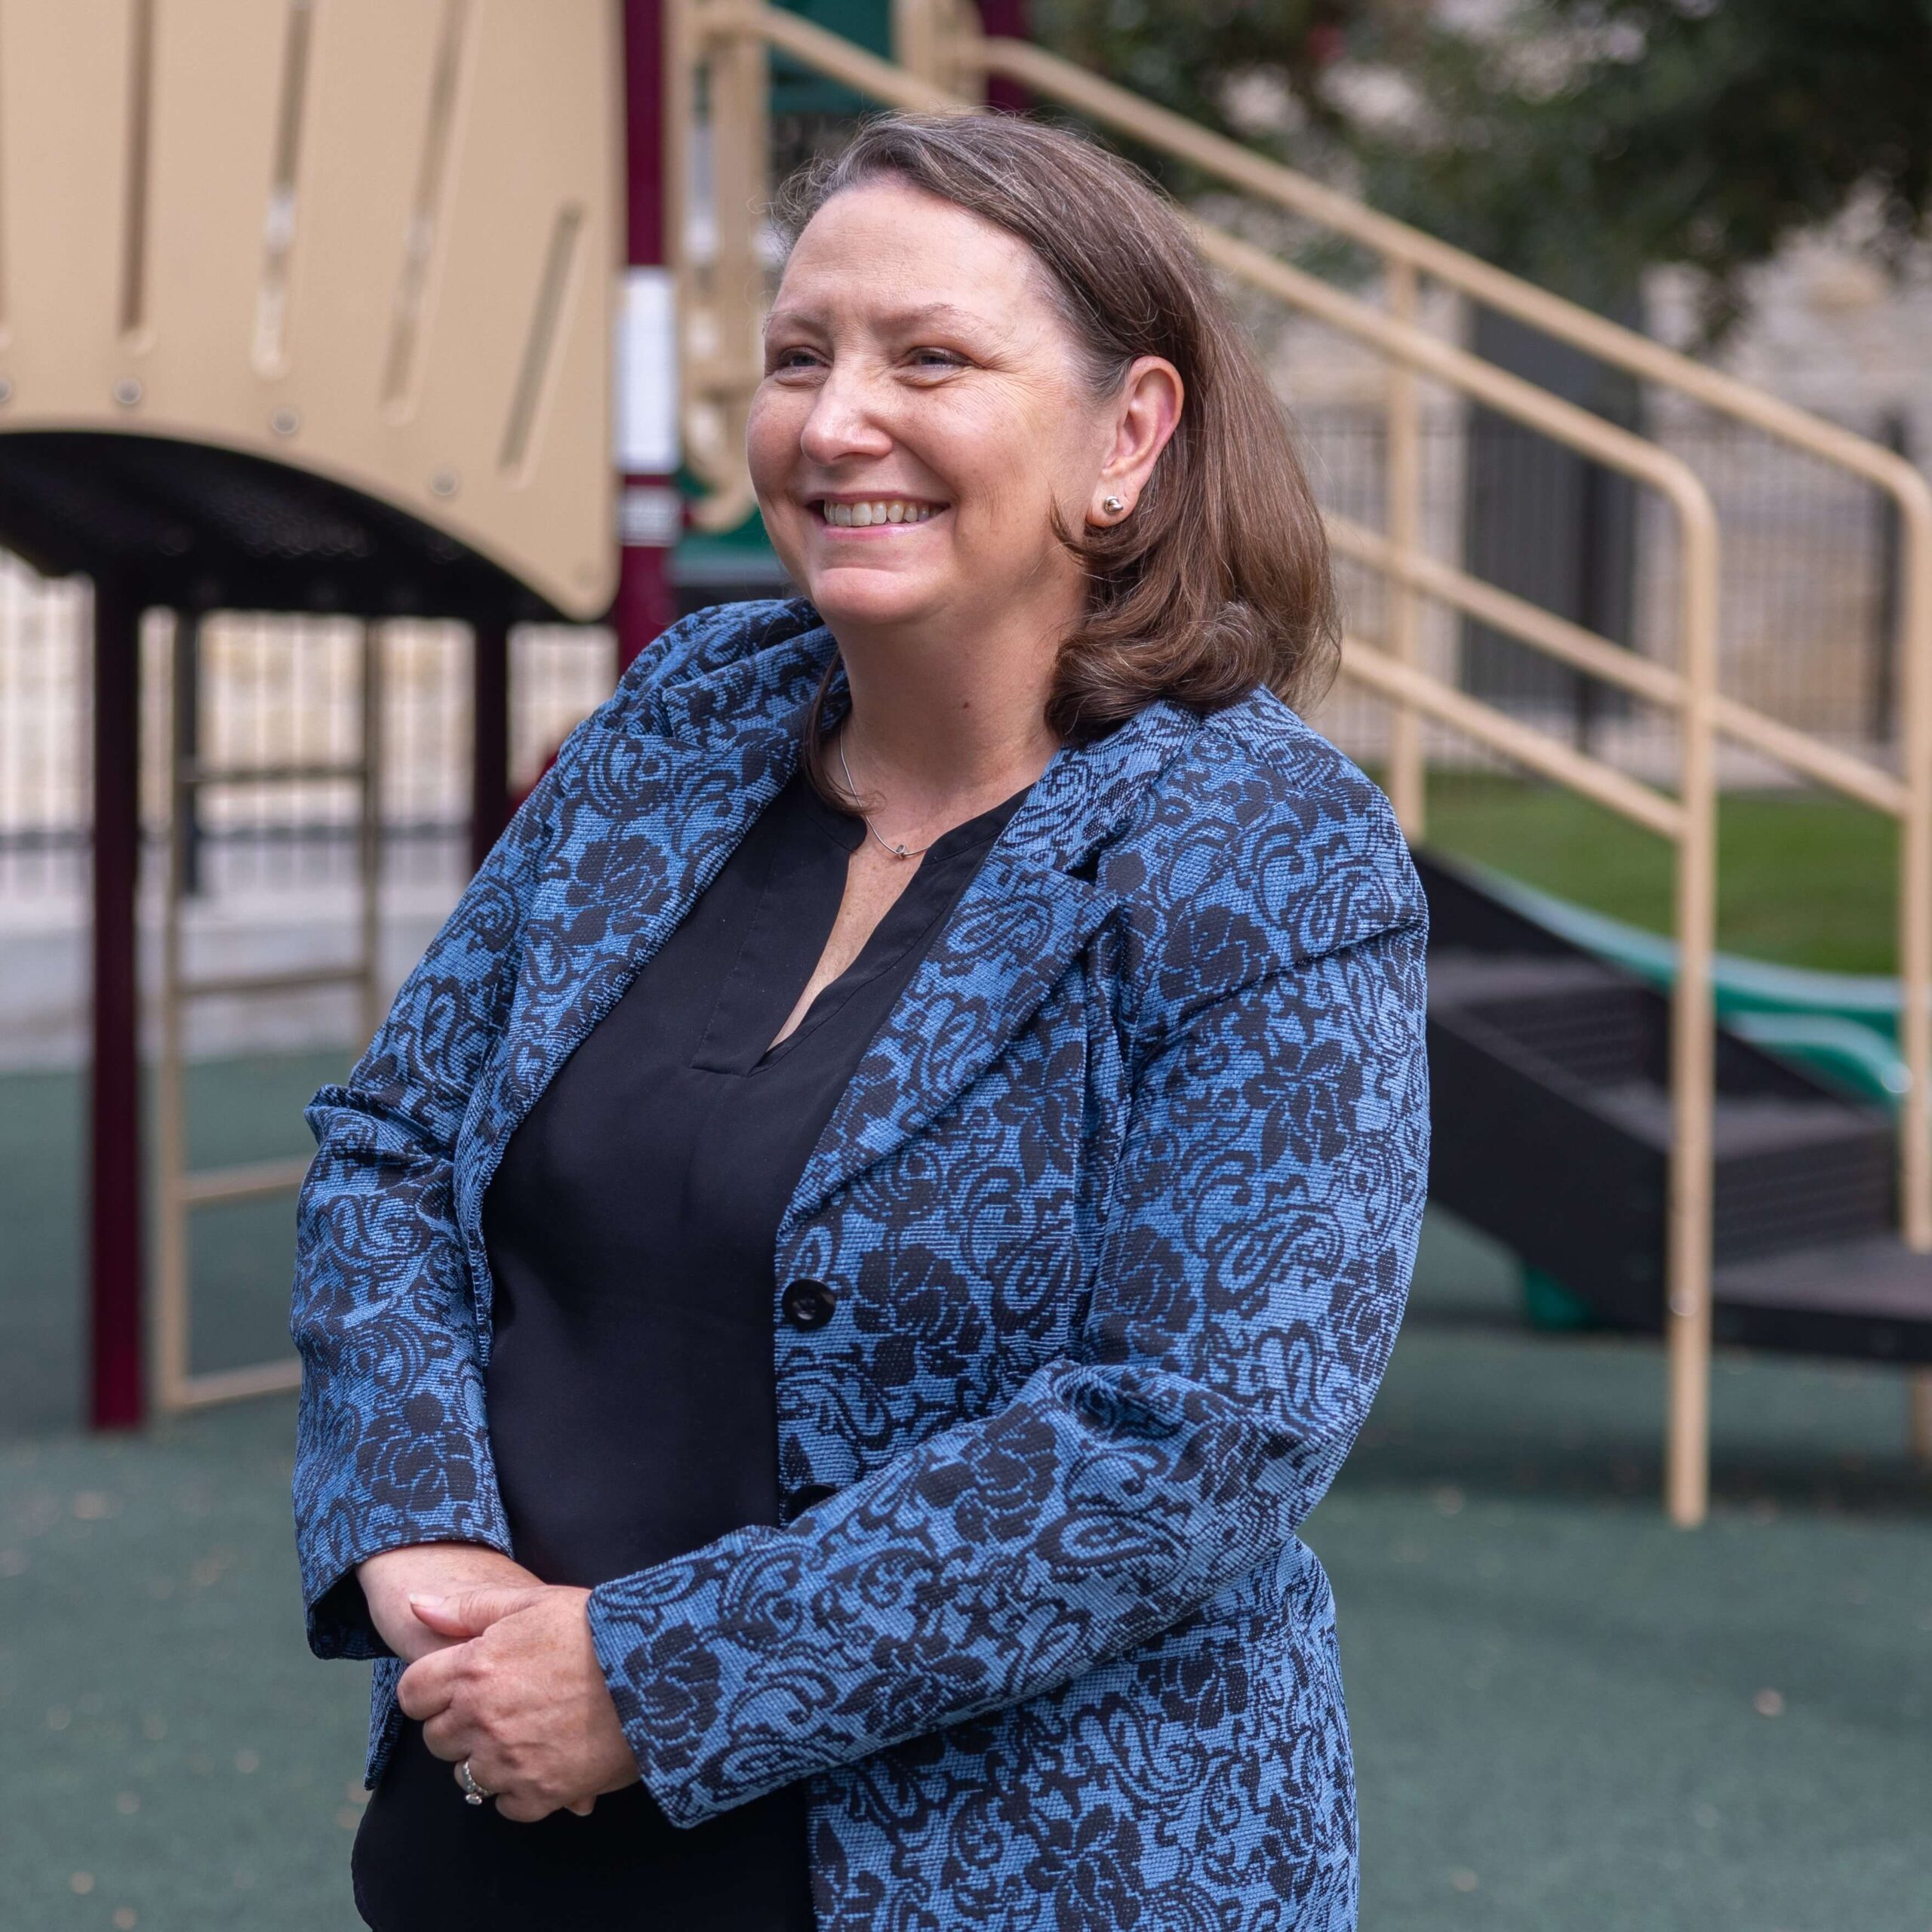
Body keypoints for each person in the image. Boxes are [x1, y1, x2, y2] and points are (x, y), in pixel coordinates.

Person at [291, 109, 1429, 1931]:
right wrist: (411, 1518)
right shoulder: (684, 714)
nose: (834, 423)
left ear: (1127, 436)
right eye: (798, 356)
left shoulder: (1262, 845)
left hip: (1010, 1866)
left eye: (930, 359)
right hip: (505, 1828)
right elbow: (397, 1144)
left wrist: (652, 1679)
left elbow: (1196, 1435)